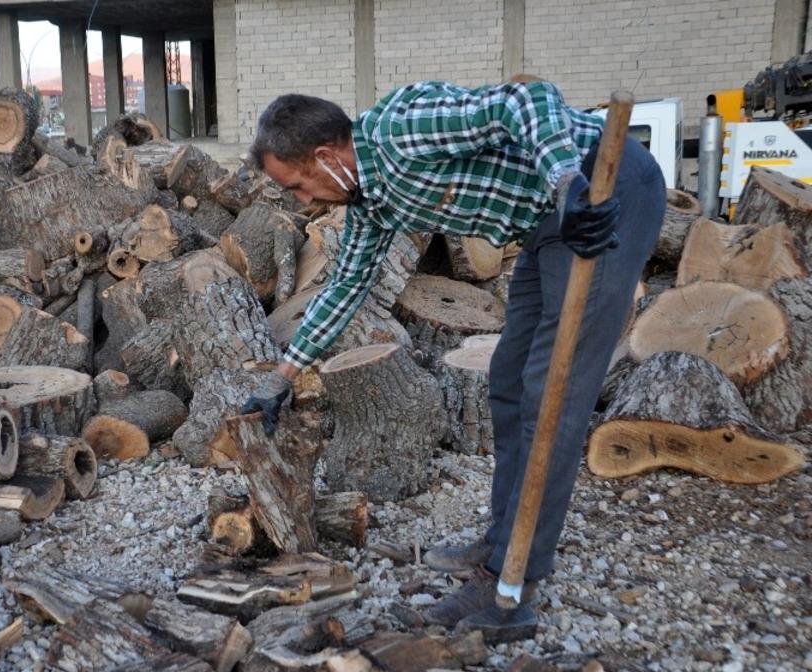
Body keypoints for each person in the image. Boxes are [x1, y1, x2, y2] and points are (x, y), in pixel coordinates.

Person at [242, 80, 666, 639]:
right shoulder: (369, 197)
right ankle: (503, 539)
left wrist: (567, 181)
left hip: (603, 190)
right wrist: (283, 377)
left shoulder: (400, 131)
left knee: (552, 396)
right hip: (544, 222)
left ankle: (510, 588)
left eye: (297, 185)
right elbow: (346, 285)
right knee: (510, 380)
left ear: (325, 156)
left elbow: (526, 100)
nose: (303, 201)